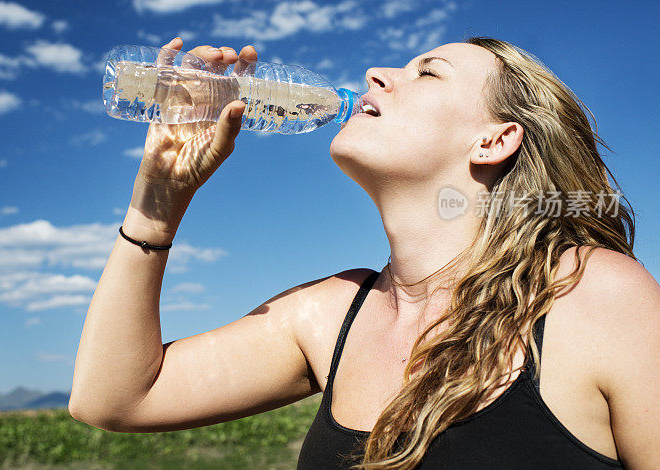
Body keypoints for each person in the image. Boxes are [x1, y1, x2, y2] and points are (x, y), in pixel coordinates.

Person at [68, 36, 660, 469]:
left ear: (494, 140)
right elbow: (113, 397)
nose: (377, 73)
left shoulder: (592, 295)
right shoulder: (331, 315)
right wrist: (160, 195)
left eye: (428, 73)